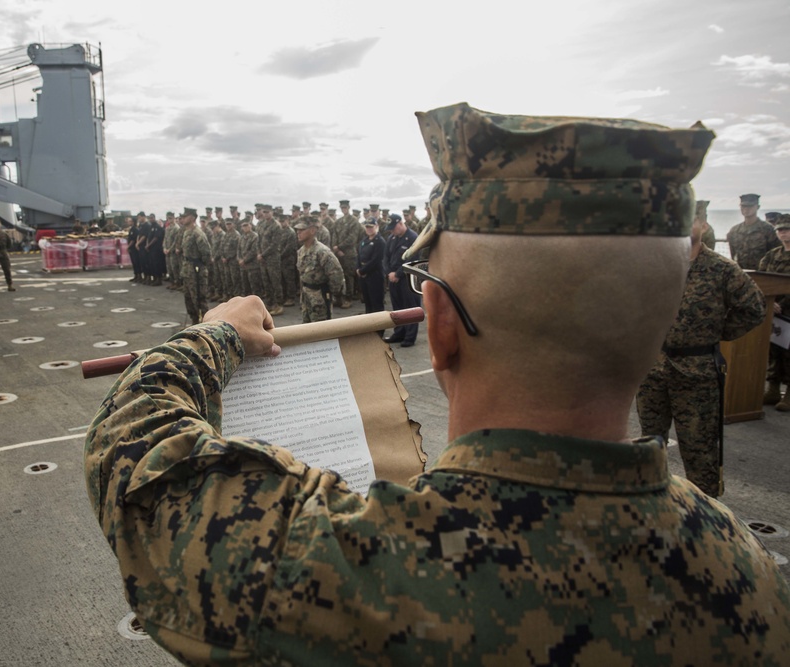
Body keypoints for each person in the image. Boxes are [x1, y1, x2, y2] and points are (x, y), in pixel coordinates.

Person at [83, 103, 790, 665]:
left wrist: (214, 336)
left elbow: (134, 455)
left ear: (440, 323)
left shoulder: (342, 567)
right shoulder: (750, 581)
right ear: (660, 321)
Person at [636, 202, 765, 497]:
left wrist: (716, 332)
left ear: (703, 226)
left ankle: (704, 518)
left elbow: (754, 308)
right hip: (653, 368)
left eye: (689, 220)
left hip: (697, 372)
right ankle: (649, 504)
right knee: (649, 445)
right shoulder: (658, 266)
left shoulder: (721, 269)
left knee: (699, 449)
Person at [760, 214, 790, 411]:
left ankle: (788, 394)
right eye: (779, 230)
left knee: (789, 352)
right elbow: (760, 279)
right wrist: (770, 302)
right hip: (774, 311)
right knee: (773, 351)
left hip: (788, 311)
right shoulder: (772, 255)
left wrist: (780, 302)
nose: (782, 233)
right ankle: (772, 389)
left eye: (786, 229)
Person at [295, 216, 343, 323]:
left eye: (302, 230)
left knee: (323, 331)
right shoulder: (301, 251)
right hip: (306, 297)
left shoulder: (322, 251)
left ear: (312, 230)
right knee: (307, 329)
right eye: (297, 230)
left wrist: (330, 294)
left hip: (320, 297)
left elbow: (336, 274)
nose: (298, 232)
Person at [383, 214, 420, 346]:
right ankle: (399, 333)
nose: (392, 231)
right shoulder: (391, 238)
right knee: (397, 308)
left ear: (400, 224)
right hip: (393, 279)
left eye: (393, 228)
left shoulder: (413, 238)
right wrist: (389, 273)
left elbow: (413, 260)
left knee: (409, 308)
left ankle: (409, 337)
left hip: (407, 278)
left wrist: (397, 274)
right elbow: (386, 257)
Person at [727, 193, 779, 270]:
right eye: (743, 206)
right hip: (741, 274)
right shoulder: (734, 231)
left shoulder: (767, 229)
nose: (746, 209)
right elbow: (733, 255)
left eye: (750, 206)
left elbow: (775, 254)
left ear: (757, 207)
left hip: (762, 274)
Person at [179, 207, 211, 324]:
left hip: (196, 270)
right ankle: (194, 321)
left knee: (199, 298)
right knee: (189, 298)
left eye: (185, 216)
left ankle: (206, 324)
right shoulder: (187, 232)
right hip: (187, 269)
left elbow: (206, 253)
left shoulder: (198, 233)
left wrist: (200, 267)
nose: (183, 219)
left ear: (192, 217)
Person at [356, 218, 385, 332]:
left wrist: (362, 271)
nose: (369, 229)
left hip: (374, 276)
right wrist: (358, 268)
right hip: (364, 276)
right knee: (368, 302)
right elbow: (359, 255)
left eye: (371, 227)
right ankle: (369, 327)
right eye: (367, 227)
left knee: (376, 303)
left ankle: (379, 329)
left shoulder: (380, 241)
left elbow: (376, 260)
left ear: (376, 227)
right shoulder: (364, 240)